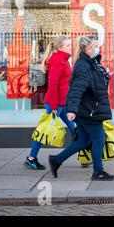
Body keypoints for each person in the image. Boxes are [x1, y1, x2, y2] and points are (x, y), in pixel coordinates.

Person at [48, 36, 114, 181]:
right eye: (96, 46)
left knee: (83, 140)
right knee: (99, 139)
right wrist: (71, 110)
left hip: (88, 108)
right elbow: (77, 89)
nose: (98, 48)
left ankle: (57, 160)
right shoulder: (84, 66)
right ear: (88, 48)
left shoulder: (91, 63)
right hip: (89, 110)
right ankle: (98, 171)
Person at [24, 36, 76, 170]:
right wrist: (53, 107)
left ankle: (85, 156)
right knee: (44, 131)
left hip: (63, 102)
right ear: (60, 47)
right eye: (68, 45)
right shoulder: (58, 61)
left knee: (74, 129)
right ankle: (31, 158)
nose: (71, 47)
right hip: (56, 103)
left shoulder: (64, 59)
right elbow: (53, 85)